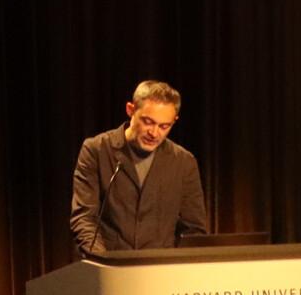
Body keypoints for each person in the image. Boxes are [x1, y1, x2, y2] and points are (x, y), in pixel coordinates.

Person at [71, 80, 209, 255]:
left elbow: (194, 230)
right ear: (131, 110)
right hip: (108, 268)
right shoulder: (97, 150)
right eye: (148, 122)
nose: (154, 132)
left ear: (174, 121)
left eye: (164, 126)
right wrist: (104, 263)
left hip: (160, 273)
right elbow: (84, 219)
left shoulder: (183, 162)